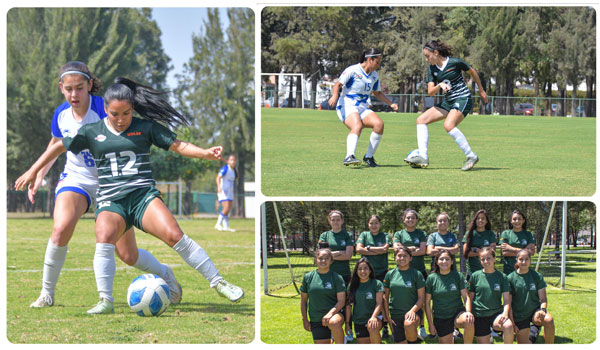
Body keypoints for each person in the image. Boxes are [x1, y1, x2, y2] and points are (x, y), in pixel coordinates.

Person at [15, 77, 244, 314]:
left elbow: (178, 145)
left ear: (132, 108)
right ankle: (106, 301)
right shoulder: (92, 131)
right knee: (106, 239)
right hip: (111, 201)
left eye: (126, 113)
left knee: (174, 235)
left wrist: (205, 153)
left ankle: (219, 282)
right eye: (115, 114)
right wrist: (33, 171)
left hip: (142, 197)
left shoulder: (145, 127)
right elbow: (59, 145)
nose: (121, 119)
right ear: (105, 109)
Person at [26, 62, 180, 308]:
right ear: (61, 88)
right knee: (61, 228)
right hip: (76, 178)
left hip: (113, 184)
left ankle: (164, 273)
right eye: (68, 89)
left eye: (79, 88)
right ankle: (46, 293)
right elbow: (55, 146)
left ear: (89, 85)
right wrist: (38, 175)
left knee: (128, 255)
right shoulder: (61, 114)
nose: (74, 94)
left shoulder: (104, 108)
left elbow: (130, 128)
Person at [405, 39, 488, 171]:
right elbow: (431, 92)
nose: (427, 59)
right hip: (448, 102)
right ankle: (423, 157)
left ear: (436, 53)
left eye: (428, 56)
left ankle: (471, 156)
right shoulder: (431, 69)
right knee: (421, 120)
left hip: (463, 98)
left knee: (448, 125)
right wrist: (439, 85)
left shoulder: (455, 62)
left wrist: (482, 90)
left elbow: (472, 72)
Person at [328, 48, 399, 167]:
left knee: (379, 125)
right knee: (357, 126)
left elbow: (377, 93)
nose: (378, 65)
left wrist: (390, 103)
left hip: (362, 106)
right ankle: (349, 156)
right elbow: (338, 85)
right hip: (347, 104)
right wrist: (334, 96)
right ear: (370, 60)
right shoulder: (353, 70)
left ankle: (369, 157)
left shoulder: (374, 75)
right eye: (377, 62)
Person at [424, 249, 474, 344]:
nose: (444, 262)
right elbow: (426, 303)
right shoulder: (431, 278)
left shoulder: (458, 276)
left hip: (457, 313)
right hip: (441, 316)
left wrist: (468, 312)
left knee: (469, 320)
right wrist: (430, 324)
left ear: (452, 261)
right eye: (441, 259)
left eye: (447, 259)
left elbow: (466, 297)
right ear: (437, 262)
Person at [392, 208, 428, 338]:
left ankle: (422, 327)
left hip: (419, 270)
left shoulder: (421, 233)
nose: (410, 220)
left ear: (416, 220)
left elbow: (423, 250)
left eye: (413, 218)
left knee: (421, 300)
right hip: (402, 273)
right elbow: (397, 248)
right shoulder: (399, 233)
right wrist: (413, 249)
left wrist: (406, 249)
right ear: (404, 219)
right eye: (408, 218)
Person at [468, 247, 514, 344]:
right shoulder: (475, 276)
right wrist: (469, 312)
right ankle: (488, 337)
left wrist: (505, 313)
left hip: (496, 314)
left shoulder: (502, 277)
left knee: (508, 326)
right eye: (482, 259)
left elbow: (506, 300)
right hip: (479, 315)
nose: (485, 261)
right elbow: (470, 297)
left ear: (494, 258)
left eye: (488, 258)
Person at [300, 248, 346, 344]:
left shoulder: (337, 278)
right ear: (316, 259)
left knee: (333, 323)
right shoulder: (308, 277)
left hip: (334, 315)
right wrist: (305, 319)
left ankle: (339, 339)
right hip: (316, 319)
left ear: (331, 260)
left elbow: (341, 301)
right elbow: (303, 301)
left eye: (327, 258)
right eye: (320, 258)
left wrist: (330, 314)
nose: (323, 261)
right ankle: (332, 337)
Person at [508, 249, 555, 344]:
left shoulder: (537, 276)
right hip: (519, 316)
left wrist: (542, 310)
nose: (524, 262)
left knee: (549, 320)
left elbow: (543, 299)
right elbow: (508, 303)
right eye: (521, 259)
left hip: (534, 312)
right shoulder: (510, 278)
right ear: (516, 260)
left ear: (530, 260)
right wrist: (512, 323)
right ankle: (534, 330)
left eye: (527, 259)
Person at [355, 214, 390, 338]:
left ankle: (385, 325)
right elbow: (359, 249)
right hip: (366, 273)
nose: (374, 225)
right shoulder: (364, 235)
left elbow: (385, 249)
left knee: (383, 299)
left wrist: (368, 248)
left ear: (380, 224)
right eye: (371, 223)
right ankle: (367, 320)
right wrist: (377, 250)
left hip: (382, 272)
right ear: (368, 224)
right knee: (367, 297)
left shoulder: (385, 235)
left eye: (376, 223)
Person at [383, 247, 426, 344]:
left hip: (413, 312)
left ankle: (413, 338)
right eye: (399, 256)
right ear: (395, 258)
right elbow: (385, 298)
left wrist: (412, 311)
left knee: (409, 324)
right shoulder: (390, 274)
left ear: (410, 258)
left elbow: (421, 298)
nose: (402, 258)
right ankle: (413, 336)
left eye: (405, 256)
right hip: (395, 314)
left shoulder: (417, 274)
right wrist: (387, 317)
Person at [345, 258, 384, 344]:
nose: (363, 271)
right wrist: (347, 324)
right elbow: (348, 306)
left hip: (374, 317)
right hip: (359, 320)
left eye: (366, 268)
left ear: (370, 270)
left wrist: (374, 317)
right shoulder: (352, 285)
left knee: (372, 327)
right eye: (360, 269)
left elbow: (379, 303)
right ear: (356, 271)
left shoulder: (376, 283)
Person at [318, 210, 354, 285]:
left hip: (344, 273)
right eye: (333, 220)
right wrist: (340, 252)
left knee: (344, 296)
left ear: (342, 221)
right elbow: (322, 256)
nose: (335, 222)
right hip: (327, 272)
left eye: (338, 220)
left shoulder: (347, 235)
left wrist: (329, 255)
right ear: (329, 221)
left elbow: (348, 255)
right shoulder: (324, 235)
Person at [463, 209, 498, 278]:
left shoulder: (490, 234)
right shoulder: (469, 233)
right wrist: (484, 252)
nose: (480, 220)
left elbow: (492, 252)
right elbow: (466, 253)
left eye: (483, 218)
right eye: (478, 218)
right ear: (475, 220)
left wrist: (476, 250)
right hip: (472, 271)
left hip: (488, 270)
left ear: (486, 221)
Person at [500, 210, 536, 275]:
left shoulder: (528, 234)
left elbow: (532, 252)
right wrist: (525, 252)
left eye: (519, 219)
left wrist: (510, 248)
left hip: (525, 271)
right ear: (511, 221)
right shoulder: (505, 233)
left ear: (523, 220)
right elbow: (504, 252)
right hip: (509, 271)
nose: (517, 221)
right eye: (514, 219)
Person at [215, 154, 237, 232]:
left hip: (230, 192)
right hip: (223, 191)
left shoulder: (234, 170)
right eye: (231, 160)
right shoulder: (225, 168)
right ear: (228, 161)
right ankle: (218, 224)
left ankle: (226, 226)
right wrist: (219, 187)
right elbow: (218, 178)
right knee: (226, 208)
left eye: (234, 160)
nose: (233, 161)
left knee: (227, 210)